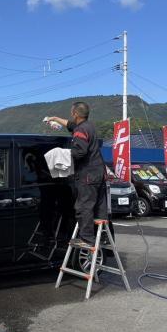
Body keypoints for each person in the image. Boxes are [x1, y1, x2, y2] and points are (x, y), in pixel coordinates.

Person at [46, 102, 107, 247]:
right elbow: (70, 125)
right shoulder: (88, 126)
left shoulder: (80, 131)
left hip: (87, 174)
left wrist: (61, 154)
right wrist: (55, 118)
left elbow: (80, 152)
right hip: (99, 172)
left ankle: (86, 239)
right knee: (99, 207)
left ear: (75, 114)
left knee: (84, 206)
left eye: (71, 112)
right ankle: (102, 236)